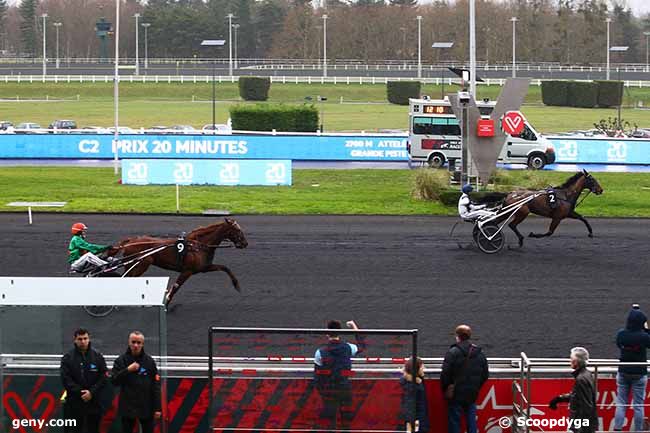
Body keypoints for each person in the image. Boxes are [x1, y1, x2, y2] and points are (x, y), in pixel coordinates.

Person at [313, 320, 366, 432]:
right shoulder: (348, 347)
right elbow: (362, 345)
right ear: (340, 333)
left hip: (329, 390)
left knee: (330, 420)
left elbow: (317, 375)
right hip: (344, 388)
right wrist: (354, 326)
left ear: (327, 334)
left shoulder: (320, 352)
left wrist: (322, 390)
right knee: (345, 420)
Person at [440, 324, 489, 433]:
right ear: (469, 336)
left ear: (457, 336)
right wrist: (476, 387)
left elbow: (445, 374)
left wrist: (447, 388)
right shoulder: (480, 353)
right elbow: (485, 375)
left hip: (456, 393)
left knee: (454, 421)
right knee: (471, 420)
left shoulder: (452, 352)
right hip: (472, 393)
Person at [111, 331, 162, 433]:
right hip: (128, 406)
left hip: (146, 406)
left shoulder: (149, 361)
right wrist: (127, 370)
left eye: (139, 343)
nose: (136, 345)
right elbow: (114, 381)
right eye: (133, 342)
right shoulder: (121, 360)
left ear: (142, 344)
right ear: (129, 342)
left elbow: (155, 386)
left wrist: (158, 408)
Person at [60, 328, 109, 433]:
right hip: (74, 403)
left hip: (94, 402)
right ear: (75, 340)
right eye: (80, 339)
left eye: (85, 338)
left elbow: (104, 377)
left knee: (93, 429)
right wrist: (81, 392)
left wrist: (91, 392)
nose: (83, 341)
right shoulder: (67, 358)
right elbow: (66, 379)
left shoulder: (97, 356)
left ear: (89, 339)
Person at [613, 305, 650, 431]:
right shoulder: (644, 336)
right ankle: (638, 430)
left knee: (621, 404)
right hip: (639, 373)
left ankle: (617, 429)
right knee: (638, 405)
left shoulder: (621, 334)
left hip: (623, 371)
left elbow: (619, 344)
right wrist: (647, 330)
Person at [548, 347, 598, 433]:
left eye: (571, 359)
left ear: (576, 361)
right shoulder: (587, 374)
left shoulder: (581, 379)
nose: (569, 361)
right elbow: (578, 396)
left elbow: (586, 406)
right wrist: (559, 398)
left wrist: (580, 428)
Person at [400, 357, 429, 433]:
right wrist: (413, 424)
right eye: (421, 367)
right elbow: (410, 405)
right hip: (417, 421)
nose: (424, 368)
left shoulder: (417, 382)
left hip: (419, 419)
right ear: (416, 369)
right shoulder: (413, 385)